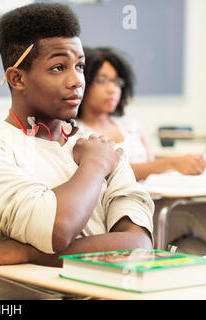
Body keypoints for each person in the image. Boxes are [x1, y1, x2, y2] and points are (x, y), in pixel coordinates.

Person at [0, 3, 154, 299]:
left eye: (80, 66)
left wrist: (22, 252)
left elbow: (138, 246)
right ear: (17, 78)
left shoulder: (100, 146)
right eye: (58, 67)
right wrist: (93, 166)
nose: (76, 80)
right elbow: (58, 228)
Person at [75, 47, 206, 255]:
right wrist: (170, 164)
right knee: (197, 214)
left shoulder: (131, 126)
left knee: (194, 249)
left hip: (157, 204)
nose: (112, 89)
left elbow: (151, 174)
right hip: (124, 216)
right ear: (82, 82)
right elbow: (111, 172)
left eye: (117, 82)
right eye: (102, 80)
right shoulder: (77, 133)